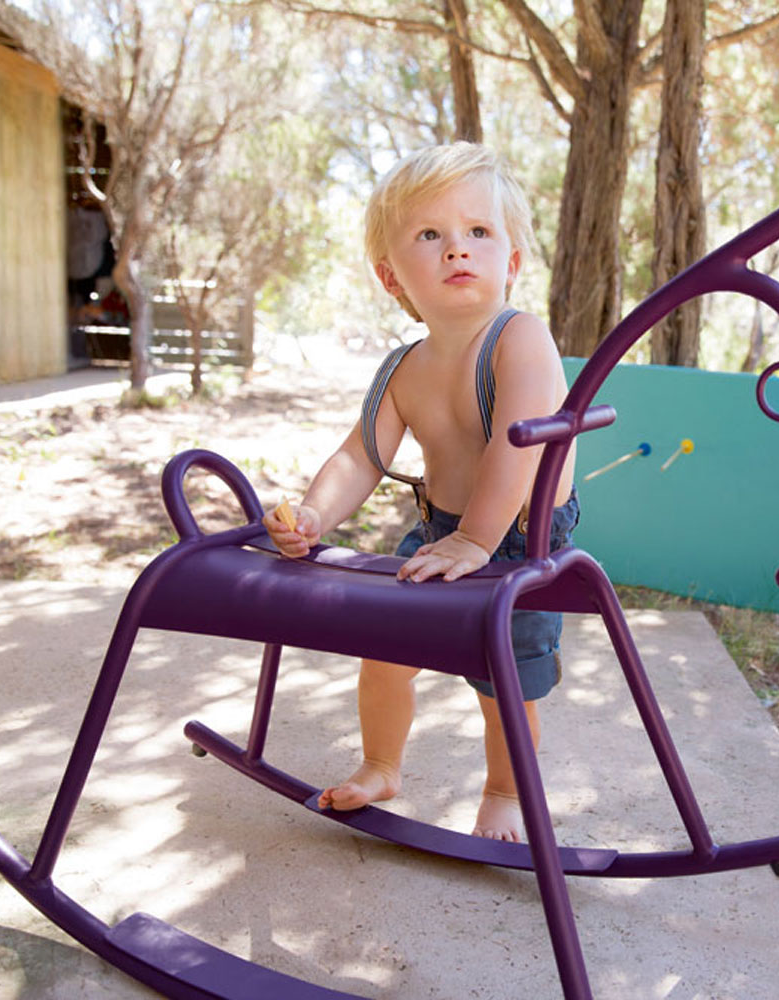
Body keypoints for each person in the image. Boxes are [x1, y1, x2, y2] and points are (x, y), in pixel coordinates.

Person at [263, 143, 578, 843]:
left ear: (512, 262)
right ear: (390, 276)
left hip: (520, 540)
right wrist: (314, 513)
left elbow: (518, 446)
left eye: (478, 231)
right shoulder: (404, 368)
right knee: (382, 654)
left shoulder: (520, 339)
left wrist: (478, 539)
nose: (456, 249)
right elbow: (360, 455)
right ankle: (381, 765)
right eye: (430, 234)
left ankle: (505, 793)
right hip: (443, 532)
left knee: (505, 683)